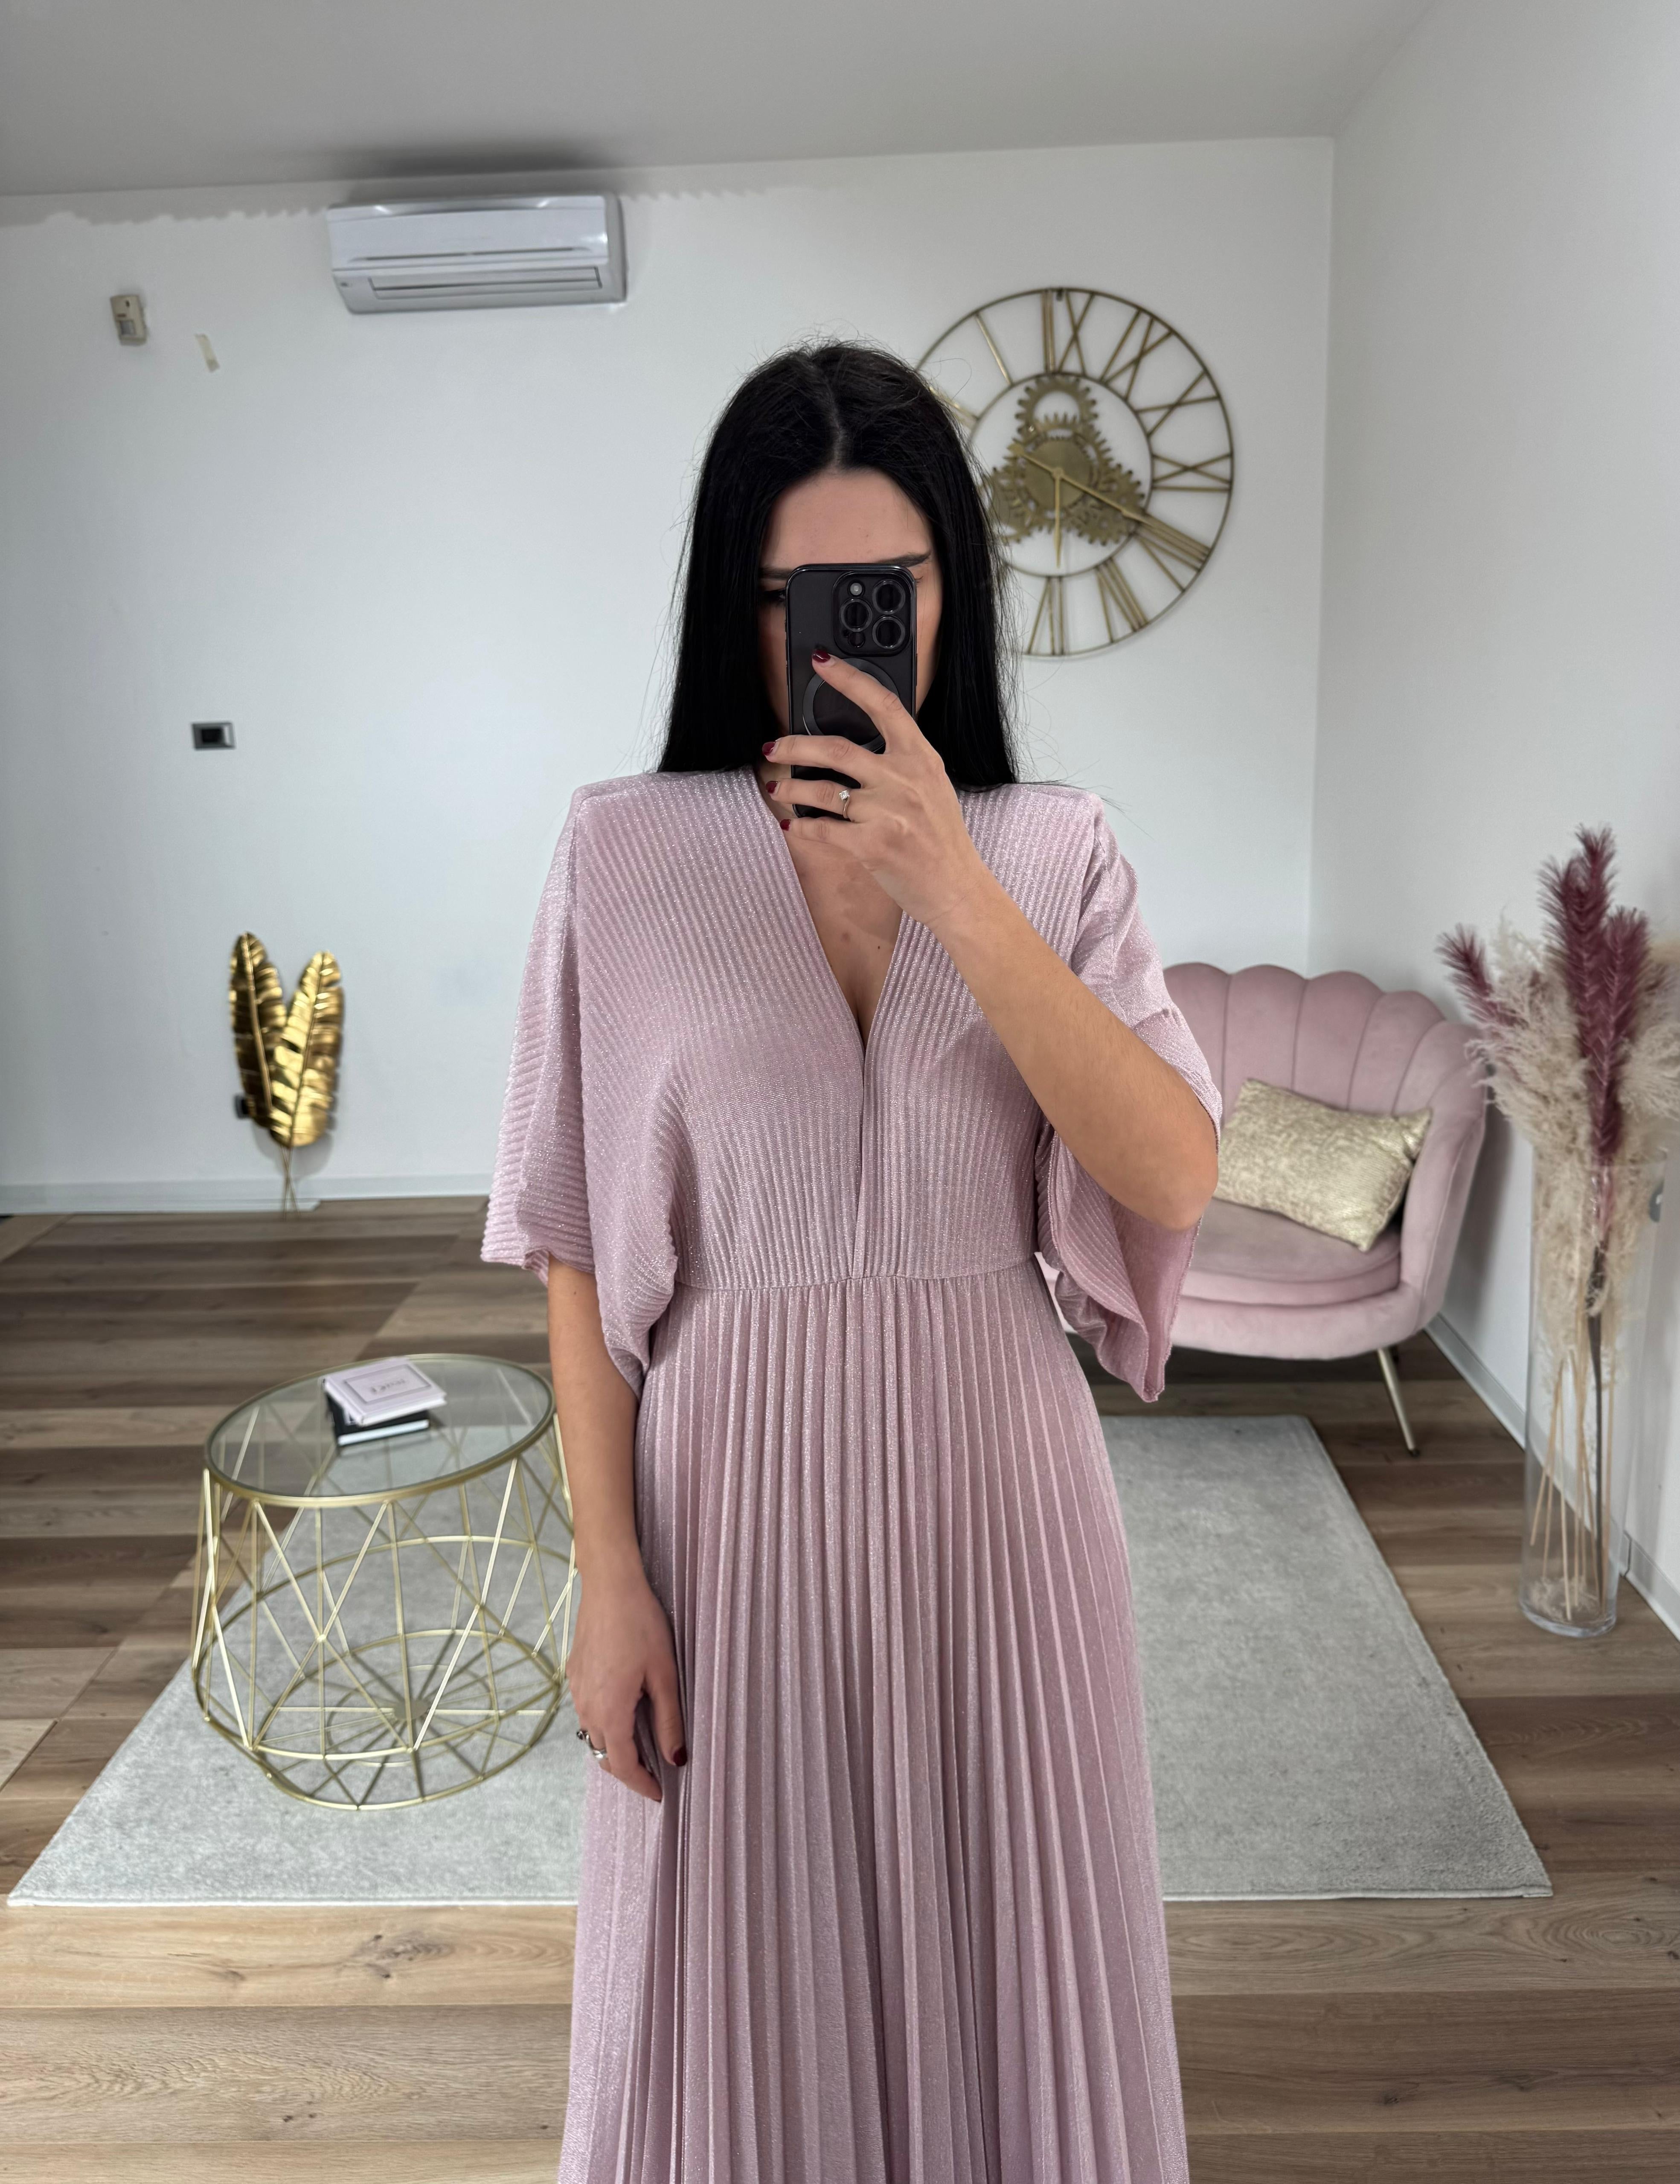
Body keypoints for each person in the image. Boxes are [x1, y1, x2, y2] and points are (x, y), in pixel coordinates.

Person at [482, 340, 1221, 2184]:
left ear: (947, 593)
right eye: (789, 597)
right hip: (724, 1497)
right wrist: (606, 1575)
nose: (834, 639)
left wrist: (953, 880)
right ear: (732, 606)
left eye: (882, 591)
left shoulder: (1054, 849)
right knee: (735, 1971)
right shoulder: (621, 854)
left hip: (1000, 1494)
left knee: (1012, 1941)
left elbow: (1170, 1168)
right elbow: (572, 1244)